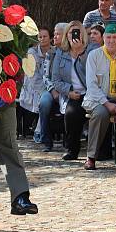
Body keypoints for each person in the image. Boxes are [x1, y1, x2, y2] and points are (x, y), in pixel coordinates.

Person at [81, 23, 116, 170]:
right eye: (108, 37)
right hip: (99, 99)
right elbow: (91, 85)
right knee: (100, 114)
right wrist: (106, 103)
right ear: (103, 38)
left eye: (115, 37)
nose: (111, 40)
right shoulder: (94, 56)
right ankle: (91, 156)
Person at [51, 21, 90, 160]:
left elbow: (92, 72)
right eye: (71, 32)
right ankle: (72, 150)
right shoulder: (60, 53)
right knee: (71, 114)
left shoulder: (90, 49)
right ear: (66, 36)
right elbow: (55, 80)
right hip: (73, 94)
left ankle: (100, 151)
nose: (74, 35)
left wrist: (80, 51)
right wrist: (68, 92)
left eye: (77, 32)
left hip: (90, 93)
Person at [37, 23, 67, 151]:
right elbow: (45, 76)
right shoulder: (50, 53)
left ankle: (68, 140)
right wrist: (53, 90)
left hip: (66, 89)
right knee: (44, 103)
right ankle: (46, 140)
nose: (54, 36)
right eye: (54, 34)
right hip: (51, 89)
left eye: (58, 34)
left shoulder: (71, 52)